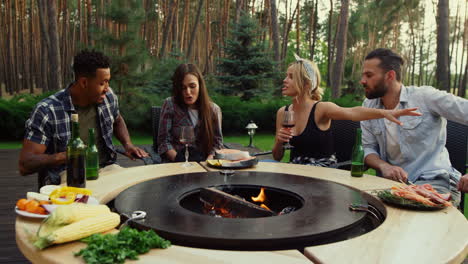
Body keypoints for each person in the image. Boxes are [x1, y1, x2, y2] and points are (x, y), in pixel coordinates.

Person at [19, 49, 148, 184]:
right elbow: (25, 164)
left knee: (135, 192)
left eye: (108, 82)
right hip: (66, 177)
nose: (107, 88)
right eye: (102, 83)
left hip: (107, 171)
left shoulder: (108, 97)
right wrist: (67, 156)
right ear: (84, 83)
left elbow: (117, 120)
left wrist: (128, 144)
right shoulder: (46, 111)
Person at [360, 48, 468, 205]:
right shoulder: (368, 106)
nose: (362, 81)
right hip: (393, 186)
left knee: (414, 218)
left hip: (435, 181)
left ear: (390, 76)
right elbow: (368, 148)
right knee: (365, 212)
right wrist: (384, 166)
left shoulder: (425, 97)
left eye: (369, 75)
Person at [272, 54, 420, 166]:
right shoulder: (283, 113)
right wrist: (279, 141)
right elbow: (277, 156)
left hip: (321, 174)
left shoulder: (321, 108)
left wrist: (384, 113)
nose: (284, 80)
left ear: (306, 83)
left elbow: (352, 112)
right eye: (286, 76)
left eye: (291, 77)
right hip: (295, 173)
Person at [157, 63, 223, 162]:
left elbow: (217, 144)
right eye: (183, 87)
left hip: (204, 166)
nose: (188, 92)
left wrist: (207, 163)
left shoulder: (213, 110)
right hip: (175, 165)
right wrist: (180, 160)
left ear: (200, 85)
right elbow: (163, 142)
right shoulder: (170, 105)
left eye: (192, 86)